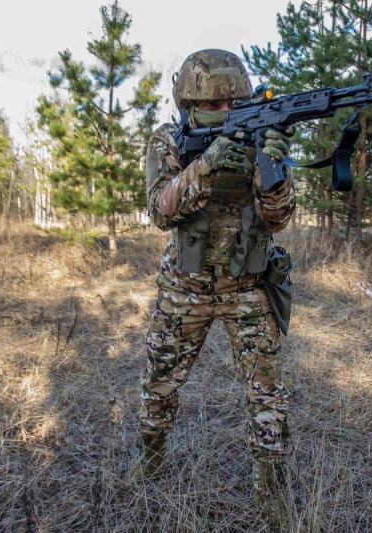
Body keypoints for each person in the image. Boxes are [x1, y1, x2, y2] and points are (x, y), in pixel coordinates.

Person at [127, 49, 296, 513]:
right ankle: (151, 456)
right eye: (215, 106)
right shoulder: (169, 140)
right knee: (160, 380)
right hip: (185, 287)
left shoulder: (262, 134)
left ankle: (273, 488)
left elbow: (278, 219)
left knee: (268, 393)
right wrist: (206, 165)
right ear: (189, 106)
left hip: (247, 287)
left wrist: (273, 171)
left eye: (234, 103)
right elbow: (161, 210)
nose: (227, 113)